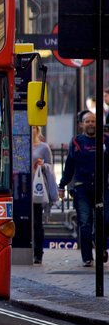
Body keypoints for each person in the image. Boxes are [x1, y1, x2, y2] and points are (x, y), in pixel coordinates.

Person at [58, 110, 109, 267]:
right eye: (87, 121)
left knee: (105, 220)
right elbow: (69, 166)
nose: (91, 124)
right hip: (82, 188)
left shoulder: (106, 140)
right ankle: (87, 257)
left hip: (103, 188)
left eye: (93, 121)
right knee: (85, 223)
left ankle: (99, 244)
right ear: (82, 125)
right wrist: (62, 185)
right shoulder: (76, 142)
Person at [31, 126, 57, 264]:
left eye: (34, 128)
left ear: (37, 129)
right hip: (21, 188)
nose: (31, 130)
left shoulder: (43, 147)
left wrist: (42, 165)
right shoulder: (19, 144)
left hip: (37, 188)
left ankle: (38, 253)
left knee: (37, 221)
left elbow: (50, 168)